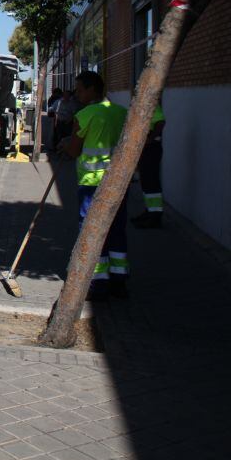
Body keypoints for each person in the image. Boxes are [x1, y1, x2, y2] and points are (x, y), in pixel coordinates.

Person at [58, 71, 129, 300]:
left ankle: (96, 281)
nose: (77, 94)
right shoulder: (122, 112)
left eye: (80, 90)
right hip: (118, 183)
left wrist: (65, 145)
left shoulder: (85, 114)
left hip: (91, 182)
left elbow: (75, 150)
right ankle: (119, 279)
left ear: (92, 89)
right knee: (116, 230)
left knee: (90, 230)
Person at [133, 102, 165, 229]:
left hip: (151, 148)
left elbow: (160, 123)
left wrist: (149, 139)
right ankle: (150, 210)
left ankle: (155, 216)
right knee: (146, 181)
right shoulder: (140, 105)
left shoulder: (151, 105)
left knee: (151, 182)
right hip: (144, 149)